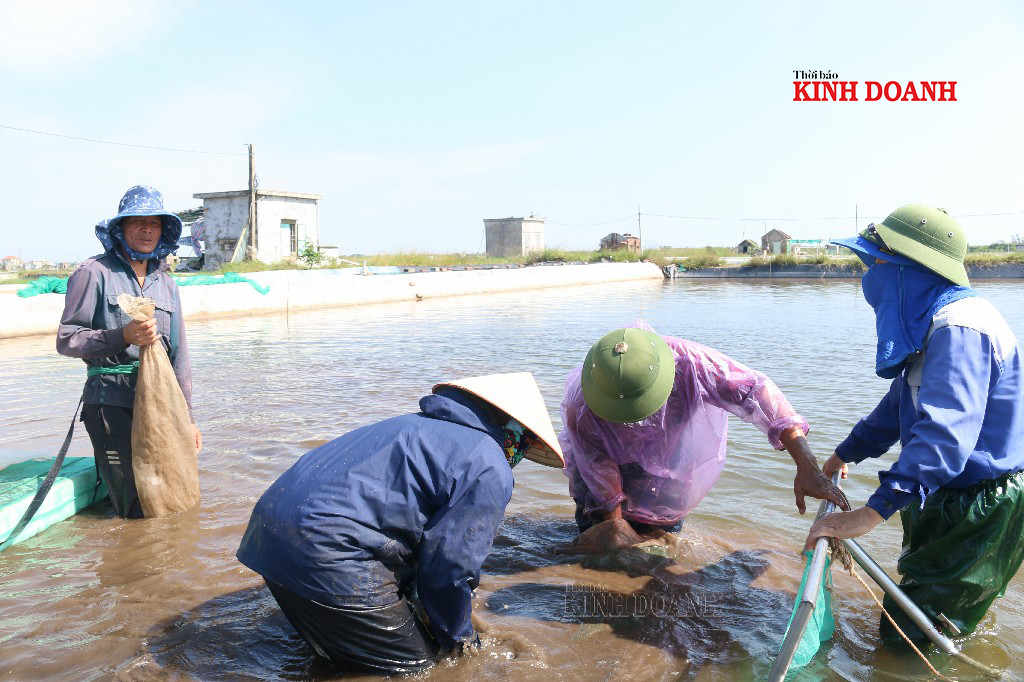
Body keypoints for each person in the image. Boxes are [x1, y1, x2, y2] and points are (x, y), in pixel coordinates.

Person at [235, 373, 564, 675]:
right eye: (524, 442)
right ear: (512, 429)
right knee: (422, 670)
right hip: (325, 551)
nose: (519, 453)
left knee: (337, 658)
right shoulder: (490, 463)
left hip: (268, 537)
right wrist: (461, 641)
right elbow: (448, 570)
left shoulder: (412, 426)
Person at [806, 205, 1024, 644]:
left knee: (912, 636)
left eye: (877, 264)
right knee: (921, 609)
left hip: (976, 505)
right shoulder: (932, 320)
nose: (869, 275)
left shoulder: (962, 327)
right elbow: (899, 407)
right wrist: (844, 453)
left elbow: (944, 436)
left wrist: (871, 513)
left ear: (911, 271)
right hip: (940, 493)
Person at [560, 321, 848, 548]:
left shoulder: (691, 364)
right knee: (605, 554)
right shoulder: (582, 405)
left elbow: (757, 393)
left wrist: (806, 464)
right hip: (601, 477)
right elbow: (596, 466)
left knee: (662, 553)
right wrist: (614, 526)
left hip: (666, 470)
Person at [57, 185, 201, 519]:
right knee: (133, 504)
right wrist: (123, 335)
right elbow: (67, 339)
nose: (147, 229)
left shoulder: (167, 284)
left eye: (155, 222)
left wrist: (189, 419)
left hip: (161, 405)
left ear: (163, 231)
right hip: (111, 402)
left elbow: (179, 357)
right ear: (120, 228)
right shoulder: (93, 273)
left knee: (168, 494)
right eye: (138, 221)